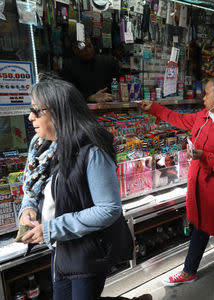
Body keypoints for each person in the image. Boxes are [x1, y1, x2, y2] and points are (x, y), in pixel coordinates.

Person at [18, 76, 150, 300]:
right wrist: (27, 209)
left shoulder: (92, 151)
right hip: (61, 249)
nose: (30, 117)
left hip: (87, 250)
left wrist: (51, 229)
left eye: (36, 110)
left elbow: (108, 209)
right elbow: (32, 189)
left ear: (58, 111)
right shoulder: (40, 147)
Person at [138, 69, 214, 285]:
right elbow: (179, 119)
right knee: (202, 226)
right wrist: (154, 108)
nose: (203, 98)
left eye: (206, 94)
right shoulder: (204, 116)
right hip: (204, 188)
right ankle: (189, 271)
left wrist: (205, 157)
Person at [61, 35, 120, 103]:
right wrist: (89, 97)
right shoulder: (68, 66)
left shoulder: (108, 62)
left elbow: (117, 84)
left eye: (89, 46)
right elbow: (67, 92)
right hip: (82, 107)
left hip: (108, 104)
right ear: (75, 49)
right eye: (83, 48)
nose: (88, 50)